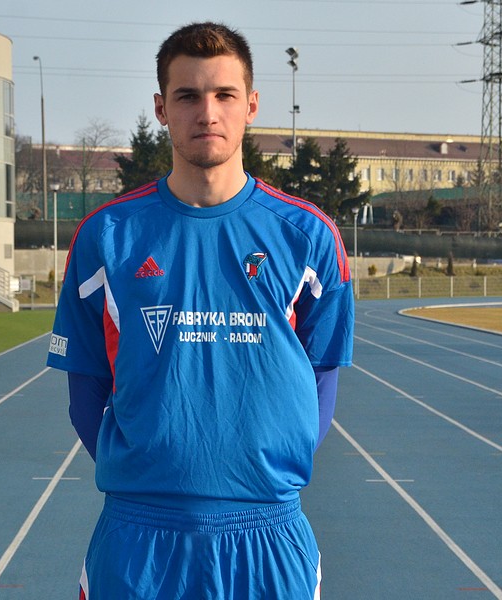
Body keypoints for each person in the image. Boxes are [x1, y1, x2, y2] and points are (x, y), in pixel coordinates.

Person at [46, 21, 354, 599]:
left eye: (224, 95)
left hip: (268, 533)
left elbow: (321, 378)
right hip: (139, 541)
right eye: (187, 96)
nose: (207, 113)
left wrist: (261, 474)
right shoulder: (106, 237)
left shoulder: (309, 237)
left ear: (251, 105)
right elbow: (84, 390)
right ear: (161, 108)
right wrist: (150, 474)